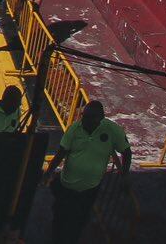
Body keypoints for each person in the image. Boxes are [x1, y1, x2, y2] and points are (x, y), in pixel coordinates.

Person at [46, 100, 130, 244]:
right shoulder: (74, 129)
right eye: (84, 116)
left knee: (78, 223)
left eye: (89, 118)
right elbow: (61, 152)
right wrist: (48, 173)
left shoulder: (112, 130)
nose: (84, 120)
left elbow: (126, 152)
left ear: (99, 119)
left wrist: (124, 175)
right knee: (60, 222)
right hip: (67, 187)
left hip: (89, 190)